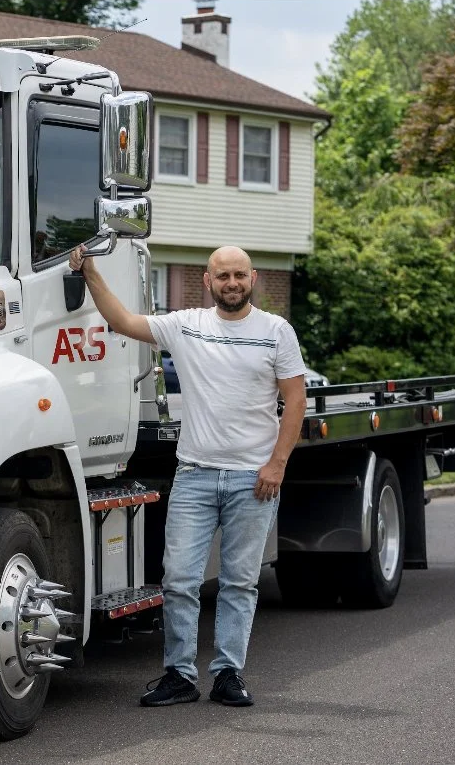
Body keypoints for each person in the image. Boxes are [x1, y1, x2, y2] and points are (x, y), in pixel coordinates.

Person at [69, 243, 307, 708]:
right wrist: (91, 271)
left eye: (240, 275)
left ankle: (228, 674)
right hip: (195, 477)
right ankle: (179, 674)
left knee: (239, 582)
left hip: (252, 481)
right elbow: (121, 321)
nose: (232, 283)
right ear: (208, 280)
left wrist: (277, 465)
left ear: (253, 278)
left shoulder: (276, 332)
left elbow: (295, 401)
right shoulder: (187, 326)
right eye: (223, 276)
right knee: (179, 579)